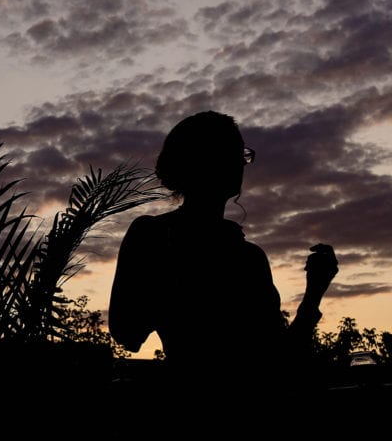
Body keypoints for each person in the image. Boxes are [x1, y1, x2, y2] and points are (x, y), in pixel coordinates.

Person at [108, 111, 339, 429]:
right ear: (203, 160)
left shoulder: (248, 256)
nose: (241, 163)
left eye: (241, 154)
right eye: (234, 153)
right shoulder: (156, 235)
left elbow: (279, 363)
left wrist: (314, 291)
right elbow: (128, 333)